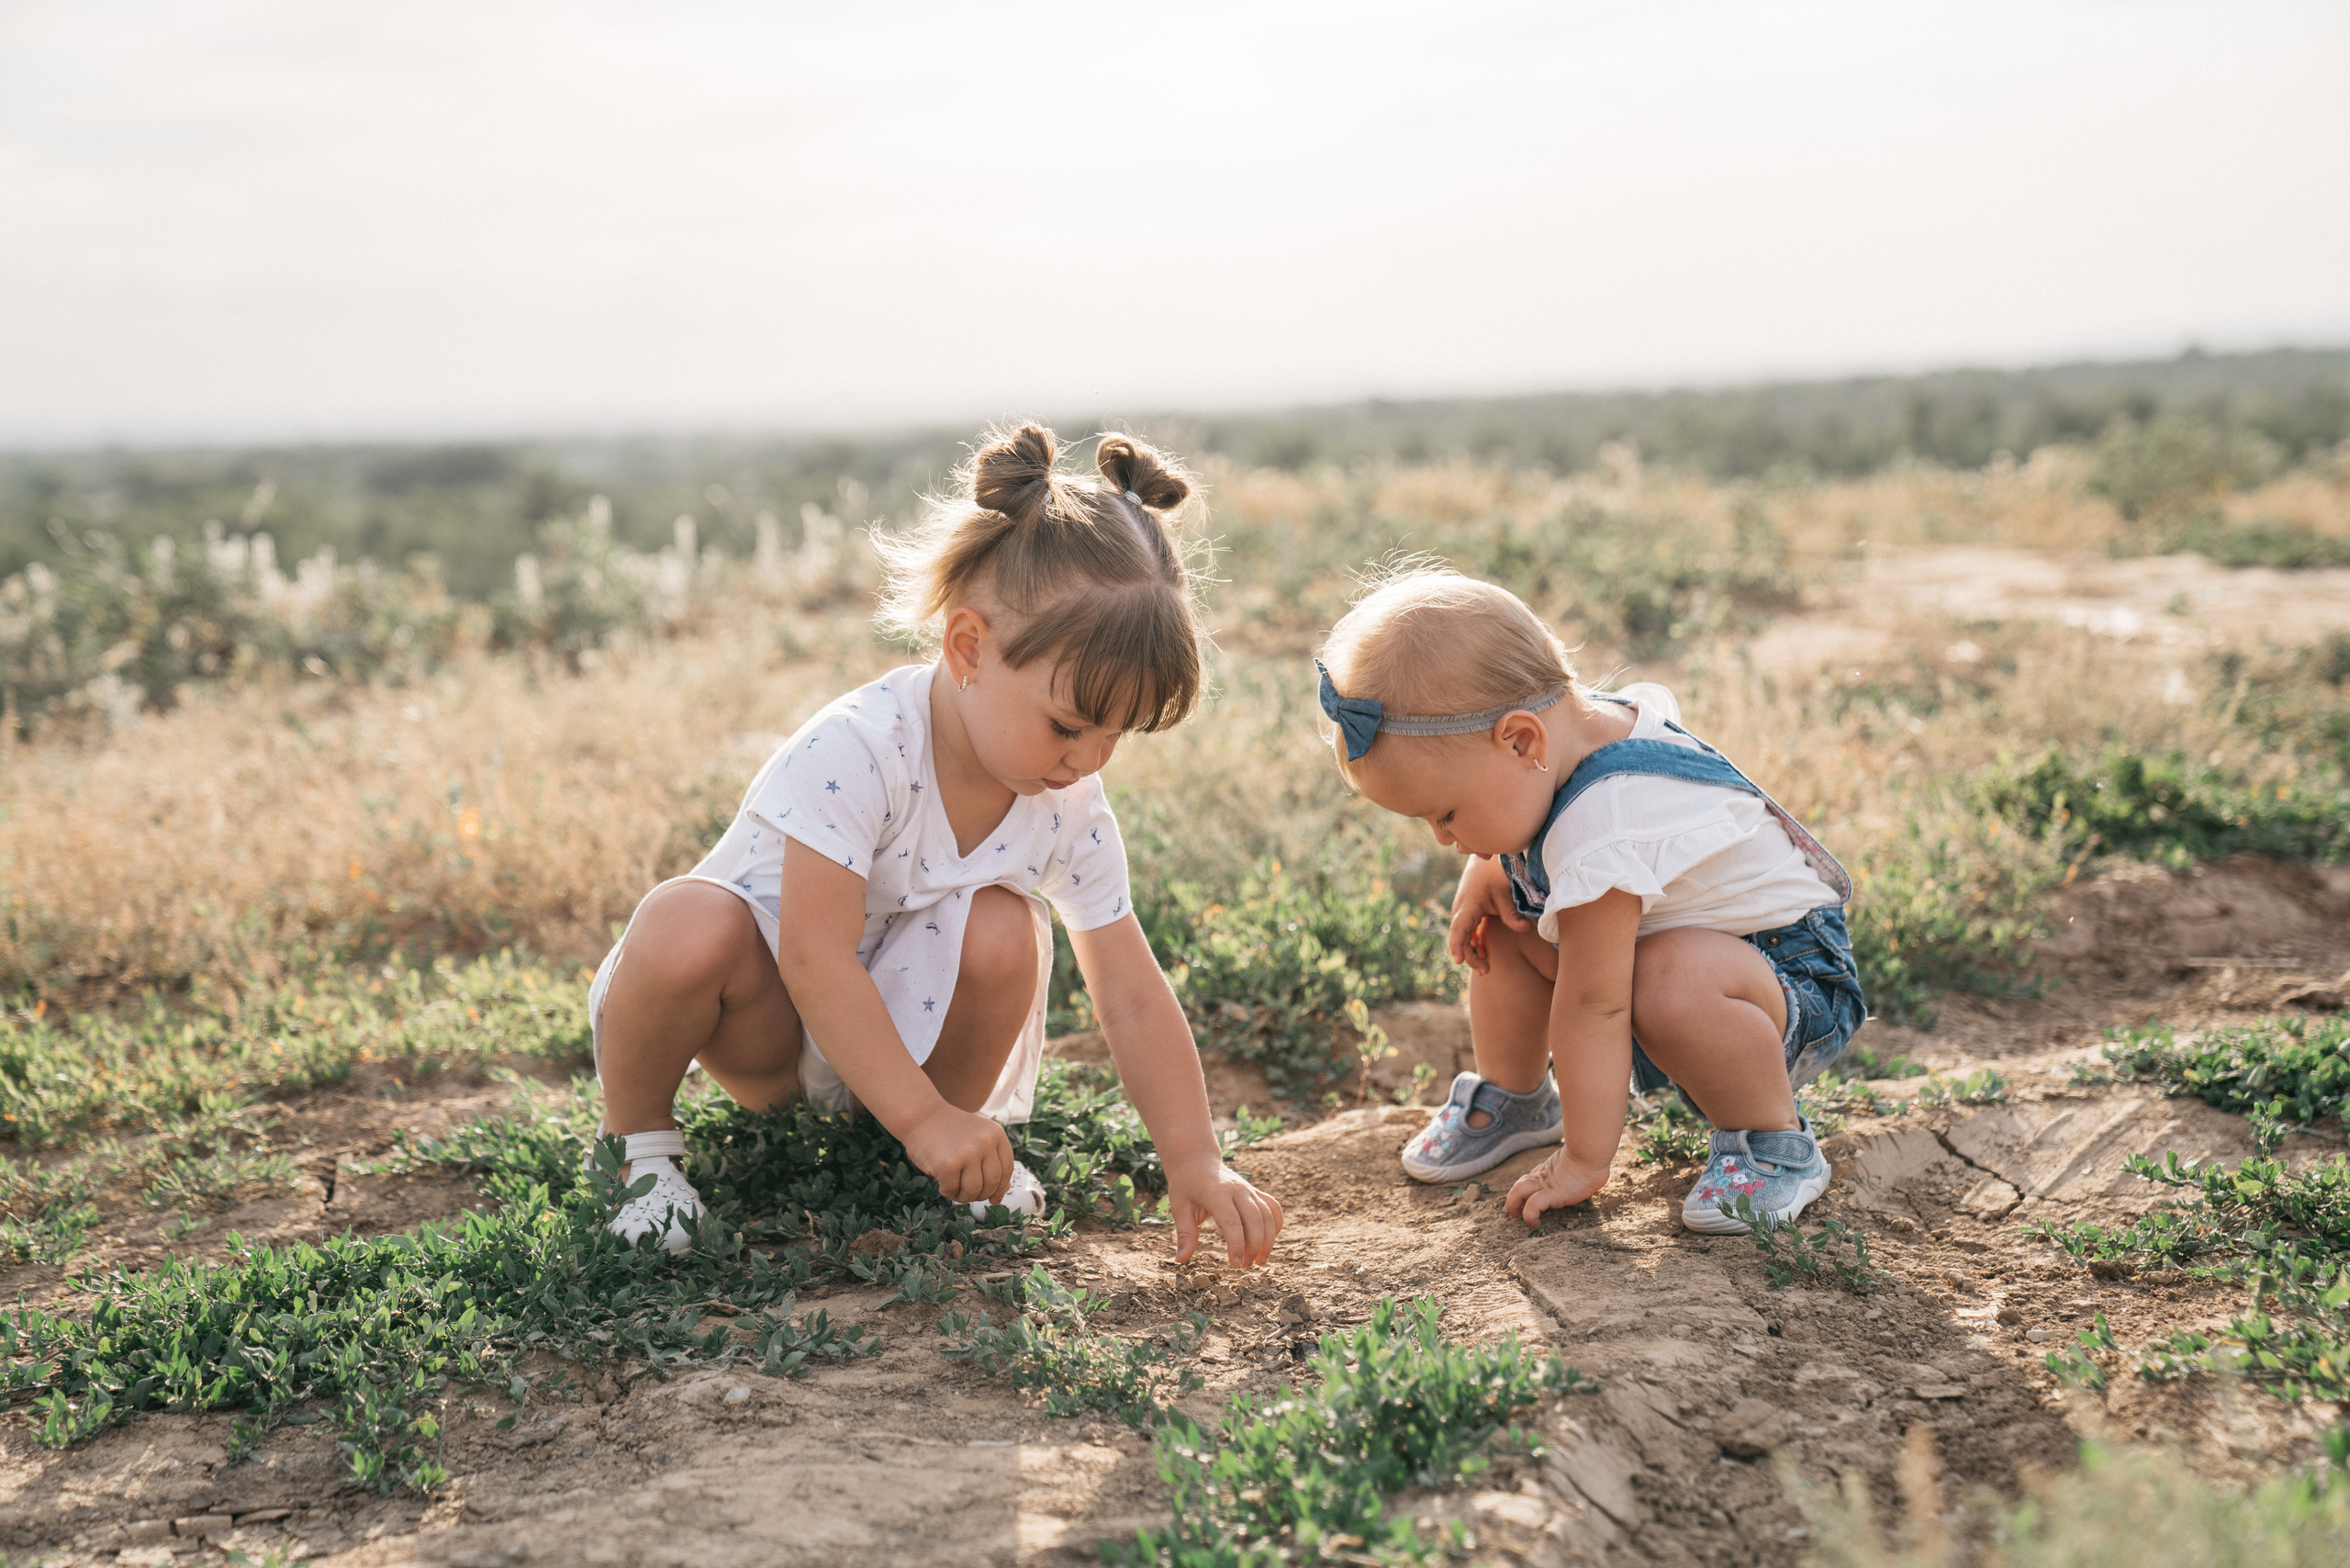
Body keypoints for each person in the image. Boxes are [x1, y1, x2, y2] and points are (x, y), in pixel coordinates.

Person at [588, 423, 1283, 1267]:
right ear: (967, 649)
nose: (1091, 759)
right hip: (768, 1028)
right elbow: (813, 959)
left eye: (1119, 734)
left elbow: (1130, 994)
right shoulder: (859, 750)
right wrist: (921, 1118)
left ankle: (936, 1163)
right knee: (683, 920)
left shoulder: (1068, 800)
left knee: (1000, 926)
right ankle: (640, 1152)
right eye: (1069, 724)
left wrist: (1195, 1159)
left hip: (903, 1054)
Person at [1314, 566, 1863, 1233]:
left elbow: (1594, 1003)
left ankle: (1773, 1143)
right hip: (1709, 966)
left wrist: (1585, 1158)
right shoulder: (1575, 729)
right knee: (1509, 920)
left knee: (1665, 978)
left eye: (1448, 813)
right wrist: (1493, 867)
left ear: (1522, 740)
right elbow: (1531, 824)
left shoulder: (1604, 825)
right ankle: (1520, 1100)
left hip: (1785, 986)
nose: (1443, 840)